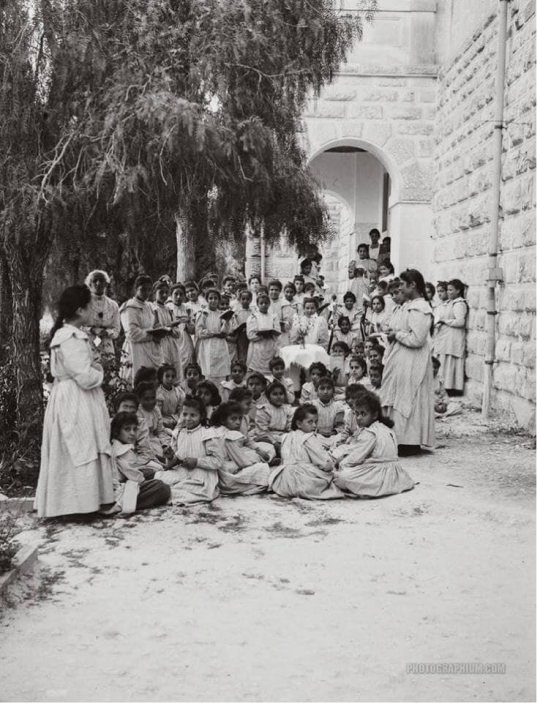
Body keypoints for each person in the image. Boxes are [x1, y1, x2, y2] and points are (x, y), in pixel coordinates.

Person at [36, 285, 115, 518]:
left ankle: (87, 501)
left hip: (77, 396)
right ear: (80, 310)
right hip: (74, 398)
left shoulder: (73, 335)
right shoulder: (69, 337)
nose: (94, 311)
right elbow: (84, 375)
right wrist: (98, 370)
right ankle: (73, 505)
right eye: (90, 307)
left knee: (83, 443)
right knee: (79, 445)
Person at [382, 269, 435, 454]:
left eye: (403, 285)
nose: (401, 288)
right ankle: (398, 437)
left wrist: (396, 335)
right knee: (398, 394)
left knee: (410, 396)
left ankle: (410, 441)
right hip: (401, 358)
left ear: (413, 285)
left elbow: (417, 338)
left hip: (413, 359)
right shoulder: (407, 305)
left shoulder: (420, 307)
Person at [334, 391, 415, 498]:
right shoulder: (385, 428)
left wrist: (340, 465)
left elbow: (355, 458)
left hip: (379, 472)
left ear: (374, 415)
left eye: (363, 414)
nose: (358, 418)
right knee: (345, 449)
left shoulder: (369, 433)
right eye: (356, 413)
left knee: (342, 477)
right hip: (393, 472)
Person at [269, 405, 344, 500]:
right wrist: (331, 466)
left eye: (316, 422)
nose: (314, 425)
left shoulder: (286, 436)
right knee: (331, 476)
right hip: (303, 480)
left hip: (284, 483)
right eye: (310, 422)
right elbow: (324, 463)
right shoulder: (309, 437)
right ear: (299, 424)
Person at [157, 397, 221, 504]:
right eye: (185, 414)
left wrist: (197, 462)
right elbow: (172, 463)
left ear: (201, 416)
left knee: (181, 490)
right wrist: (170, 457)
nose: (188, 418)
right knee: (159, 478)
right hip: (182, 472)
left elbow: (217, 461)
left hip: (201, 475)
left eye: (193, 415)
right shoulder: (179, 433)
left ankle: (166, 494)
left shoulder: (207, 434)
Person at [109, 413, 171, 515]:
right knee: (162, 488)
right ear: (117, 431)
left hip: (120, 480)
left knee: (149, 472)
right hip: (117, 492)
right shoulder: (122, 450)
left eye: (135, 429)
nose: (132, 433)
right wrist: (145, 482)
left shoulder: (116, 444)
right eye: (127, 429)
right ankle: (131, 504)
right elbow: (135, 477)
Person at [208, 402, 270, 495]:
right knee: (263, 468)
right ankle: (248, 489)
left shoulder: (214, 429)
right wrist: (256, 460)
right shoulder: (230, 435)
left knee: (251, 453)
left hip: (214, 473)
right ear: (223, 420)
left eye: (240, 418)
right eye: (233, 419)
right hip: (225, 478)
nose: (238, 422)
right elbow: (243, 462)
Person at [119, 275, 164, 387]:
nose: (146, 292)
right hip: (136, 349)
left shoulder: (150, 306)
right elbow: (132, 333)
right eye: (143, 289)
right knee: (136, 380)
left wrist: (160, 331)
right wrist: (151, 336)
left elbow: (154, 324)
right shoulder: (129, 307)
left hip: (151, 349)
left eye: (149, 289)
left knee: (152, 381)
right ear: (136, 289)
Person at [435, 279, 468, 395]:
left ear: (458, 291)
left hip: (454, 338)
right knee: (445, 360)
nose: (448, 292)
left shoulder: (459, 304)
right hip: (447, 338)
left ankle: (453, 388)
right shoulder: (451, 303)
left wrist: (444, 321)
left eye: (450, 290)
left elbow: (460, 322)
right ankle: (445, 386)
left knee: (451, 360)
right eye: (447, 290)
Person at [83, 270, 120, 370]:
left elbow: (116, 330)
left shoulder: (113, 305)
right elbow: (77, 326)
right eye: (95, 280)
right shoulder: (83, 303)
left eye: (101, 280)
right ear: (89, 284)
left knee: (108, 375)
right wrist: (91, 330)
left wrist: (107, 332)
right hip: (88, 343)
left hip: (107, 345)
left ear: (106, 284)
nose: (98, 283)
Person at [195, 288, 232, 386]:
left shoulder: (221, 314)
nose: (213, 300)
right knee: (209, 374)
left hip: (220, 346)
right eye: (210, 298)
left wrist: (227, 321)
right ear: (207, 300)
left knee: (221, 376)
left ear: (219, 300)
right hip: (208, 346)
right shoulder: (203, 313)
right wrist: (214, 334)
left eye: (215, 298)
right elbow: (199, 332)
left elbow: (225, 332)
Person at [152, 279, 184, 381]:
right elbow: (156, 327)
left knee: (176, 370)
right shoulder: (153, 308)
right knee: (163, 371)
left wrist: (170, 329)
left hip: (172, 344)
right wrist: (170, 326)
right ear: (155, 293)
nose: (164, 295)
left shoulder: (169, 310)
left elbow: (177, 333)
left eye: (166, 292)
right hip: (160, 344)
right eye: (161, 292)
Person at [253, 380, 294, 455]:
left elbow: (291, 427)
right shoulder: (264, 409)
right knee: (268, 450)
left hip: (283, 437)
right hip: (267, 438)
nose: (279, 397)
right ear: (268, 397)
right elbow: (262, 432)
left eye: (281, 394)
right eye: (275, 394)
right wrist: (275, 443)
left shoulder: (288, 409)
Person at [246, 292, 281, 375]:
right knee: (257, 373)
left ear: (269, 304)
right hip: (257, 348)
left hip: (270, 347)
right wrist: (262, 335)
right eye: (261, 303)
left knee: (270, 371)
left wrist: (271, 333)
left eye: (266, 303)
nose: (264, 305)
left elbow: (277, 331)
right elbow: (250, 335)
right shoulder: (253, 317)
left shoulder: (274, 317)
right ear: (257, 304)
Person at [136, 381, 170, 458]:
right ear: (139, 399)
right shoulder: (137, 412)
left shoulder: (156, 410)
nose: (151, 402)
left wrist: (165, 445)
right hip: (142, 444)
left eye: (153, 398)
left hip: (155, 440)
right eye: (146, 399)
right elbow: (140, 438)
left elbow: (160, 431)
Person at [167, 283, 195, 370]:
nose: (178, 297)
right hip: (172, 339)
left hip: (185, 341)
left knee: (187, 367)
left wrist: (188, 322)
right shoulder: (167, 308)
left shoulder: (188, 308)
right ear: (171, 295)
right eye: (176, 294)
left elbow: (193, 330)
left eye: (181, 294)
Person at [311, 376, 345, 444]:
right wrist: (318, 432)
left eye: (329, 388)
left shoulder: (338, 406)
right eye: (322, 388)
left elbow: (340, 426)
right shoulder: (311, 406)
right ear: (316, 390)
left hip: (332, 437)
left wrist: (334, 432)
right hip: (315, 435)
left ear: (333, 390)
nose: (325, 392)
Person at [156, 364, 185, 429]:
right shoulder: (158, 392)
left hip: (176, 419)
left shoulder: (178, 391)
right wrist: (164, 422)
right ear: (161, 378)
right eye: (167, 376)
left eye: (173, 376)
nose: (170, 379)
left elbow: (180, 409)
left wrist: (180, 421)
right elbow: (158, 412)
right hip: (163, 420)